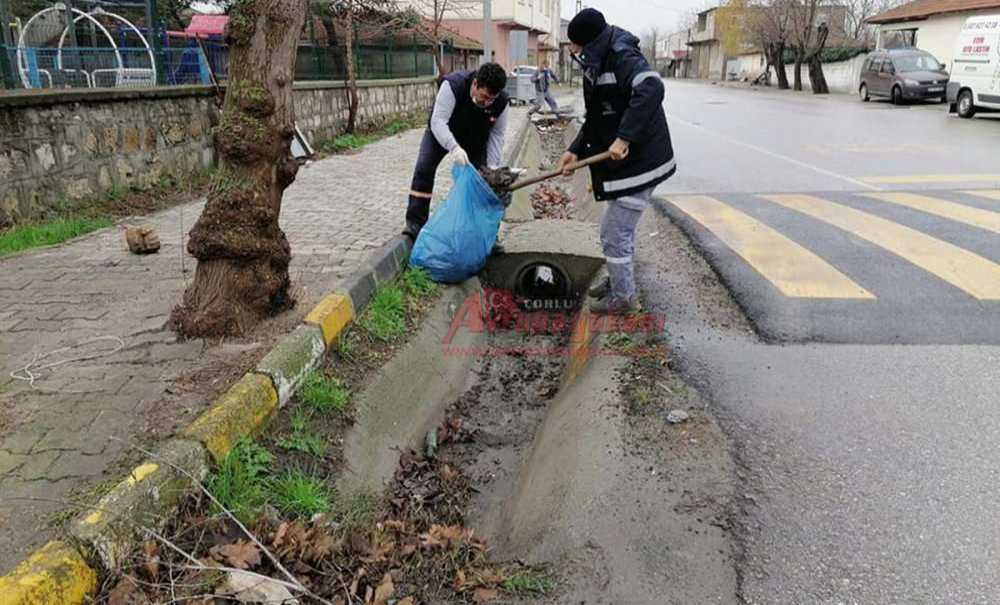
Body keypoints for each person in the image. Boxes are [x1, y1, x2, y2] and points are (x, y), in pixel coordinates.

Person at [558, 8, 676, 314]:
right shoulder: (598, 62)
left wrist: (624, 138)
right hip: (629, 164)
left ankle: (624, 298)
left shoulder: (622, 56)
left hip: (642, 161)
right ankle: (618, 279)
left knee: (613, 231)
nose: (572, 50)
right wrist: (575, 150)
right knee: (617, 228)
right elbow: (597, 118)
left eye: (575, 45)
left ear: (590, 43)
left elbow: (652, 87)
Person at [404, 63, 510, 241]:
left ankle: (480, 233)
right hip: (442, 131)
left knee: (481, 182)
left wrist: (492, 167)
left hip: (475, 138)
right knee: (424, 169)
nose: (487, 102)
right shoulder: (453, 85)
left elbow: (497, 136)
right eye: (484, 97)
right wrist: (454, 147)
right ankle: (415, 224)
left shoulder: (501, 103)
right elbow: (438, 121)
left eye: (491, 98)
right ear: (475, 84)